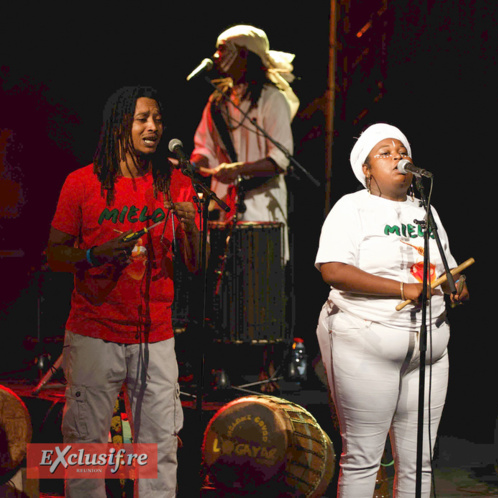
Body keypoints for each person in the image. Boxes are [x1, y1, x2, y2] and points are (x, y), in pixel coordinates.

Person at [47, 86, 200, 497]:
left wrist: (188, 225)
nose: (153, 127)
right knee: (85, 446)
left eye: (157, 119)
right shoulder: (81, 184)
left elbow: (195, 263)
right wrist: (95, 255)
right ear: (118, 126)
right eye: (142, 119)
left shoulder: (177, 182)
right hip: (94, 332)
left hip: (156, 335)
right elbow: (55, 254)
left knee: (160, 446)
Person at [315, 123, 469, 497]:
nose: (399, 157)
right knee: (364, 457)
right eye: (385, 153)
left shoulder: (426, 211)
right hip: (365, 341)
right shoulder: (352, 207)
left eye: (402, 151)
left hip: (429, 348)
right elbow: (332, 270)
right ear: (366, 169)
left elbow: (446, 268)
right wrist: (401, 289)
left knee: (420, 462)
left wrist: (456, 285)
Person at [190, 24, 298, 263]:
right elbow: (204, 148)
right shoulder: (217, 103)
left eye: (223, 50)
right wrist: (194, 165)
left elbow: (280, 158)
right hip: (222, 213)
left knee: (259, 287)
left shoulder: (272, 99)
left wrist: (237, 170)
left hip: (262, 211)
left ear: (245, 55)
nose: (216, 57)